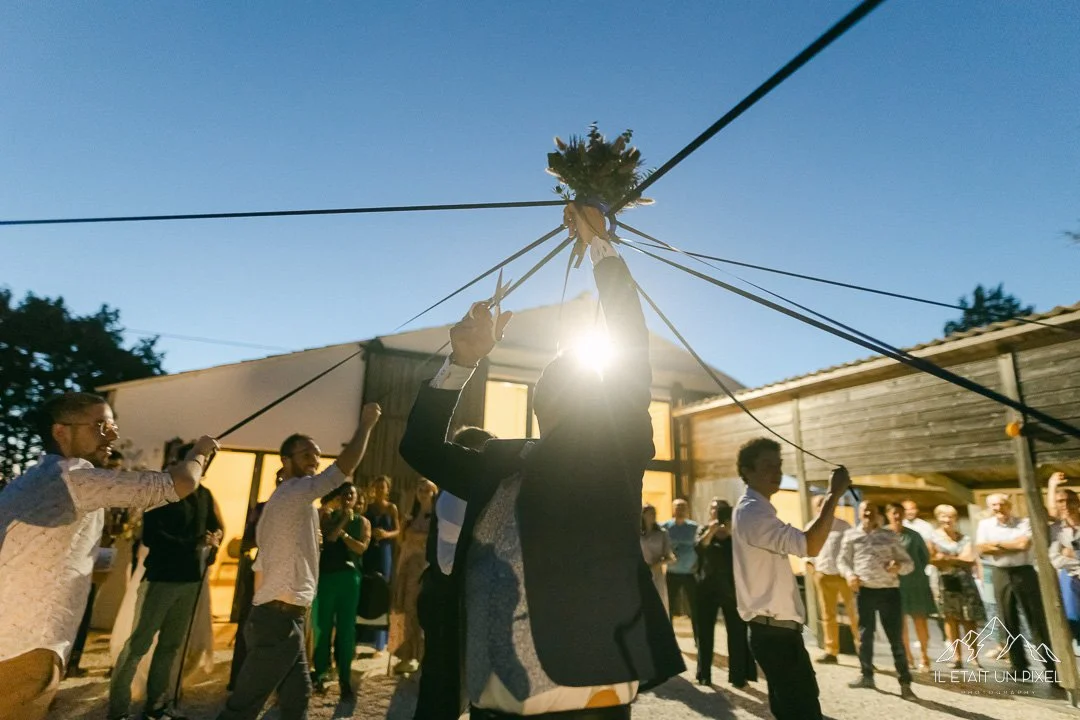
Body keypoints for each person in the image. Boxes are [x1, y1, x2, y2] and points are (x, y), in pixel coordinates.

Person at [399, 223, 683, 717]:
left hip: (589, 684)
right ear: (541, 406)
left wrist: (601, 250)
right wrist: (462, 363)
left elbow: (633, 355)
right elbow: (420, 446)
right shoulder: (499, 462)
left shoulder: (616, 453)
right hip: (495, 690)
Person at [0, 392, 218, 720]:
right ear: (61, 432)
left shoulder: (30, 480)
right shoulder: (75, 476)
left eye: (112, 425)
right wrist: (200, 451)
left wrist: (97, 558)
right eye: (100, 425)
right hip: (26, 645)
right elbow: (181, 483)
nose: (112, 435)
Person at [218, 403, 381, 720]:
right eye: (306, 454)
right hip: (277, 620)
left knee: (297, 698)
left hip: (280, 617)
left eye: (317, 456)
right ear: (286, 461)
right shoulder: (294, 492)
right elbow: (341, 471)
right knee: (243, 707)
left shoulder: (287, 504)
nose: (314, 461)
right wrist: (367, 425)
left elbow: (263, 564)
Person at [730, 437, 850, 720]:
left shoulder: (756, 509)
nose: (777, 472)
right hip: (774, 634)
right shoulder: (752, 512)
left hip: (776, 631)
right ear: (746, 471)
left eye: (779, 465)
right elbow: (810, 545)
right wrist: (834, 494)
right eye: (767, 465)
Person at [109, 457, 224, 720]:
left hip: (190, 580)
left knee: (171, 646)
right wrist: (193, 543)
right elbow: (152, 537)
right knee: (138, 644)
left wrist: (215, 539)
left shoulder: (204, 494)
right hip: (161, 579)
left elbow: (214, 526)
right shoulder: (160, 492)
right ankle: (117, 710)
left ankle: (156, 706)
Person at [413, 426, 494, 720]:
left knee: (450, 687)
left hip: (448, 600)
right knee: (442, 689)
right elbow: (449, 564)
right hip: (446, 603)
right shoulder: (457, 496)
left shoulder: (464, 492)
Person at [838, 502, 915, 699]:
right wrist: (849, 575)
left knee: (895, 639)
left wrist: (898, 566)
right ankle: (866, 676)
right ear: (859, 512)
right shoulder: (851, 535)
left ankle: (905, 682)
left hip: (889, 592)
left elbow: (909, 564)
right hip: (865, 592)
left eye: (872, 510)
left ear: (878, 514)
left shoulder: (889, 536)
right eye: (864, 510)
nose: (868, 513)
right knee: (865, 636)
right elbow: (843, 561)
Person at [975, 493, 1055, 677]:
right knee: (1007, 620)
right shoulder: (985, 525)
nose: (998, 508)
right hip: (1000, 572)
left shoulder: (1023, 523)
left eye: (1001, 504)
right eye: (994, 505)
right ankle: (1019, 666)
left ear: (1009, 505)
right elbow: (982, 548)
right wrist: (1008, 545)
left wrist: (996, 545)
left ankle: (1050, 667)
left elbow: (1023, 545)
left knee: (1036, 619)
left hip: (1024, 571)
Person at [68, 449, 127, 678]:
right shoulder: (87, 488)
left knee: (87, 605)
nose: (115, 472)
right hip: (78, 556)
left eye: (118, 468)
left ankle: (74, 660)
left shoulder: (117, 495)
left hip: (102, 553)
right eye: (112, 467)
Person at [311, 482, 370, 696]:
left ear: (356, 499)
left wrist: (346, 535)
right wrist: (343, 520)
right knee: (322, 628)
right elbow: (330, 538)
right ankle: (320, 674)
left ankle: (344, 677)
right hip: (326, 577)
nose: (347, 498)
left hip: (349, 579)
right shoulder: (327, 517)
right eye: (344, 494)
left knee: (346, 630)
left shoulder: (363, 522)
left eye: (351, 495)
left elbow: (361, 547)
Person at [228, 470, 282, 692]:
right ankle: (239, 679)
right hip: (261, 572)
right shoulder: (261, 509)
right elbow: (246, 543)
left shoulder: (303, 510)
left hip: (285, 576)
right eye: (279, 480)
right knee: (248, 626)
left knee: (279, 630)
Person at [695, 498, 755, 688]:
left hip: (731, 589)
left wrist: (731, 531)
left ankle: (737, 675)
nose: (715, 512)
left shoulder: (736, 532)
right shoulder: (704, 530)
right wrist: (711, 531)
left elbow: (746, 553)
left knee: (737, 633)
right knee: (705, 634)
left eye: (720, 509)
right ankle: (704, 674)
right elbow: (699, 548)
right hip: (706, 589)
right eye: (713, 509)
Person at [928, 504, 986, 668]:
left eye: (951, 516)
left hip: (964, 581)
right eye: (943, 516)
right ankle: (957, 657)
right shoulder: (932, 538)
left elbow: (969, 559)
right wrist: (955, 558)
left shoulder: (964, 538)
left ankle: (974, 657)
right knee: (950, 618)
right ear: (938, 518)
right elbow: (932, 559)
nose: (947, 520)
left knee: (969, 619)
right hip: (943, 581)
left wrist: (946, 558)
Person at [803, 493, 858, 664]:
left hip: (843, 576)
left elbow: (853, 549)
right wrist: (813, 571)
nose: (823, 506)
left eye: (826, 503)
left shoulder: (844, 526)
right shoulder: (811, 526)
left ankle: (862, 649)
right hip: (823, 576)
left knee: (854, 614)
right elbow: (806, 551)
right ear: (815, 507)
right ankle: (831, 651)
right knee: (828, 615)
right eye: (820, 503)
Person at [389, 479, 436, 675]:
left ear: (434, 492)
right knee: (405, 613)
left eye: (427, 489)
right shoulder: (411, 516)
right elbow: (401, 540)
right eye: (420, 489)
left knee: (421, 613)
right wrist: (404, 526)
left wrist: (413, 534)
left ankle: (423, 657)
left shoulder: (436, 517)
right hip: (406, 569)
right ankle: (406, 656)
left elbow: (428, 539)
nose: (423, 493)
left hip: (423, 570)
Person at [884, 502, 936, 672]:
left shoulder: (914, 535)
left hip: (915, 582)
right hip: (892, 583)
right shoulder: (882, 535)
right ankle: (907, 656)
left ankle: (924, 656)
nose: (897, 516)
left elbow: (925, 557)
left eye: (900, 513)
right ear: (888, 515)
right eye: (893, 513)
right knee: (900, 622)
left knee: (919, 619)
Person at [359, 474, 400, 653]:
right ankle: (361, 637)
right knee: (366, 589)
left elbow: (398, 530)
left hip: (384, 551)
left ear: (387, 490)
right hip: (369, 552)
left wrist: (386, 534)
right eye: (376, 487)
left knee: (382, 590)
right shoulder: (367, 507)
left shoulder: (391, 508)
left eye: (382, 487)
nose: (379, 490)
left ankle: (379, 642)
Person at [661, 499, 699, 640]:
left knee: (695, 607)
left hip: (690, 573)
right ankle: (669, 638)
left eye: (683, 507)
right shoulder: (665, 527)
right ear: (672, 509)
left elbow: (700, 547)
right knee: (669, 606)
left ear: (687, 509)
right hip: (672, 572)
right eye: (678, 507)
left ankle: (698, 638)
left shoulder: (694, 527)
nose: (680, 510)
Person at [1050, 489, 1080, 643]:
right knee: (1073, 620)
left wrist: (1070, 552)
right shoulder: (1056, 529)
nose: (1066, 505)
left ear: (1078, 502)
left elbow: (1065, 555)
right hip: (1070, 578)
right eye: (1061, 501)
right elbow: (1056, 559)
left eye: (1070, 500)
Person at [640, 504, 674, 613]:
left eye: (654, 513)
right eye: (650, 514)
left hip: (656, 573)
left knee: (658, 603)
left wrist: (657, 564)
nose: (653, 516)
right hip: (640, 572)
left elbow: (670, 557)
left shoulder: (662, 533)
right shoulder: (637, 533)